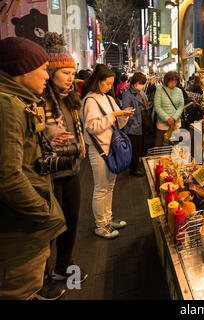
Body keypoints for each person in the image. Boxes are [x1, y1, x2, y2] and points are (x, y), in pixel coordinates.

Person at [0, 37, 66, 299]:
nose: (47, 76)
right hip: (20, 228)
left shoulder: (19, 102)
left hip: (23, 222)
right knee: (20, 290)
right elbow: (7, 177)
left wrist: (47, 133)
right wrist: (45, 212)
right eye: (42, 69)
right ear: (23, 71)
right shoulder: (8, 106)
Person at [31, 33, 88, 300]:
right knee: (48, 228)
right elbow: (36, 138)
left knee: (71, 221)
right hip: (49, 174)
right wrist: (49, 136)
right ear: (51, 71)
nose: (69, 77)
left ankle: (64, 266)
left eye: (72, 72)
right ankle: (40, 280)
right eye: (65, 72)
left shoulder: (71, 99)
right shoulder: (38, 101)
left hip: (72, 168)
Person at [80, 64, 134, 239]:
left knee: (109, 186)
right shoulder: (90, 100)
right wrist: (114, 115)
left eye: (111, 84)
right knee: (101, 188)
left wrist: (123, 115)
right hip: (99, 150)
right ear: (97, 81)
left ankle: (108, 219)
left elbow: (116, 125)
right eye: (107, 84)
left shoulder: (108, 98)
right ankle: (100, 224)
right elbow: (92, 127)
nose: (110, 87)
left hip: (112, 148)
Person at [121, 72, 148, 176]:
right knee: (134, 149)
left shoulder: (142, 92)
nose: (143, 85)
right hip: (133, 126)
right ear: (135, 82)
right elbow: (126, 110)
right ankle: (134, 168)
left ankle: (137, 165)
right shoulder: (127, 94)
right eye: (141, 83)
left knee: (140, 147)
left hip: (142, 125)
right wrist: (134, 121)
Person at [153, 71, 185, 147]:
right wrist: (167, 118)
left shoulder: (179, 91)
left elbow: (181, 106)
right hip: (162, 125)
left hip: (176, 124)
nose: (173, 83)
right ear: (166, 80)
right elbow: (157, 106)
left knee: (175, 147)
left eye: (175, 81)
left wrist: (174, 118)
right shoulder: (159, 90)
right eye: (171, 80)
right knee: (160, 147)